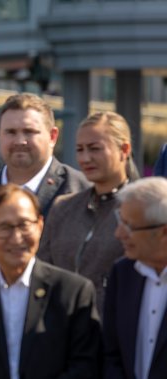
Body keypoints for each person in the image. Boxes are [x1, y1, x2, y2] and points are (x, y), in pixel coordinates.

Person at [0, 184, 101, 379]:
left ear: (40, 226)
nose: (16, 239)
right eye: (4, 228)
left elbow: (85, 366)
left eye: (25, 225)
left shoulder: (73, 291)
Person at [0, 92, 90, 284]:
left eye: (29, 131)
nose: (20, 141)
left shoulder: (82, 192)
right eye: (10, 132)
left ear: (52, 136)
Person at [38, 111, 139, 312]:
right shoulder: (63, 207)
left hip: (116, 330)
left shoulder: (142, 209)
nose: (85, 158)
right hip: (63, 330)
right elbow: (42, 272)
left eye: (95, 149)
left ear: (124, 149)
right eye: (80, 149)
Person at [103, 177, 167, 379]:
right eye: (119, 221)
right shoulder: (122, 274)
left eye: (129, 226)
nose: (118, 233)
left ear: (163, 232)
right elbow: (110, 352)